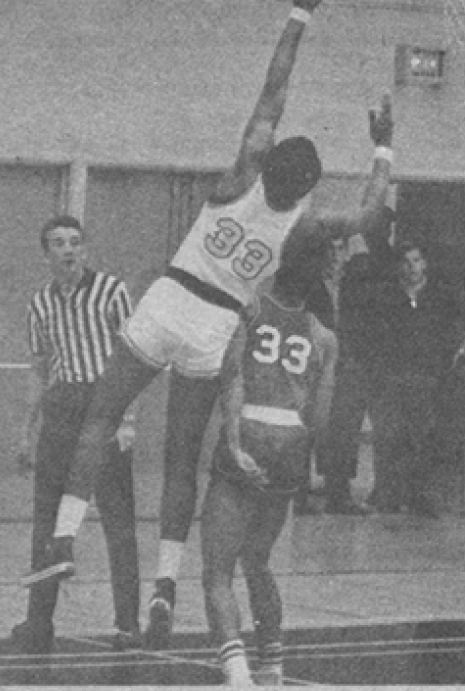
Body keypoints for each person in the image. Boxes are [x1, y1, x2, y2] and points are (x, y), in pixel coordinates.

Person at [20, 0, 399, 652]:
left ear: (270, 161)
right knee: (182, 461)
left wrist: (298, 15)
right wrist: (382, 144)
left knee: (101, 417)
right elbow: (372, 212)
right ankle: (166, 584)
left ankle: (65, 535)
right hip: (218, 323)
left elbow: (272, 95)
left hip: (171, 299)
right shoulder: (304, 229)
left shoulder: (239, 177)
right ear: (308, 185)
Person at [198, 229, 338, 686]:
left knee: (217, 572)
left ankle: (238, 676)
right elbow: (320, 418)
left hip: (252, 430)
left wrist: (236, 444)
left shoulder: (251, 308)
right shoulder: (323, 335)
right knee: (258, 561)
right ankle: (273, 668)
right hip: (291, 444)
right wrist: (298, 462)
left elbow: (232, 377)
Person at [9, 216, 144, 654]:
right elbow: (38, 368)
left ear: (84, 249)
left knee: (118, 522)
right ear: (46, 253)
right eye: (58, 243)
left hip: (104, 407)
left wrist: (128, 420)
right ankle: (38, 622)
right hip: (62, 409)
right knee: (46, 522)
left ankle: (127, 624)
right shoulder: (40, 303)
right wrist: (26, 431)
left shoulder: (112, 291)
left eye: (74, 242)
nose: (67, 250)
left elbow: (134, 361)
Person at [363, 240, 465, 518]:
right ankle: (388, 495)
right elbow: (375, 337)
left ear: (425, 264)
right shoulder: (387, 297)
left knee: (422, 438)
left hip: (427, 378)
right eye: (406, 262)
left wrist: (443, 363)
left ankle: (420, 496)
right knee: (389, 437)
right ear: (399, 266)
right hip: (393, 378)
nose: (412, 268)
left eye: (416, 261)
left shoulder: (439, 298)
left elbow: (454, 333)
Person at [300, 224, 382, 515]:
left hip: (348, 365)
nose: (335, 256)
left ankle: (339, 495)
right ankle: (298, 496)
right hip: (314, 366)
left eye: (340, 249)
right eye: (330, 249)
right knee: (308, 425)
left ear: (347, 252)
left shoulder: (358, 284)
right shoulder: (308, 284)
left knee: (345, 428)